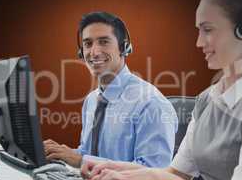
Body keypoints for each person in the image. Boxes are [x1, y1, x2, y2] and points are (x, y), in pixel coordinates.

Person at [81, 0, 242, 180]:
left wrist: (154, 179)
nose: (198, 42)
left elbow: (162, 178)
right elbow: (176, 174)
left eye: (208, 30)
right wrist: (112, 167)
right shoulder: (208, 98)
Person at [43, 11, 178, 168]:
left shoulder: (150, 103)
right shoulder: (92, 100)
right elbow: (89, 154)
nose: (94, 52)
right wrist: (61, 155)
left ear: (124, 47)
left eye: (103, 42)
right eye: (87, 44)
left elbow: (153, 173)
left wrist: (82, 161)